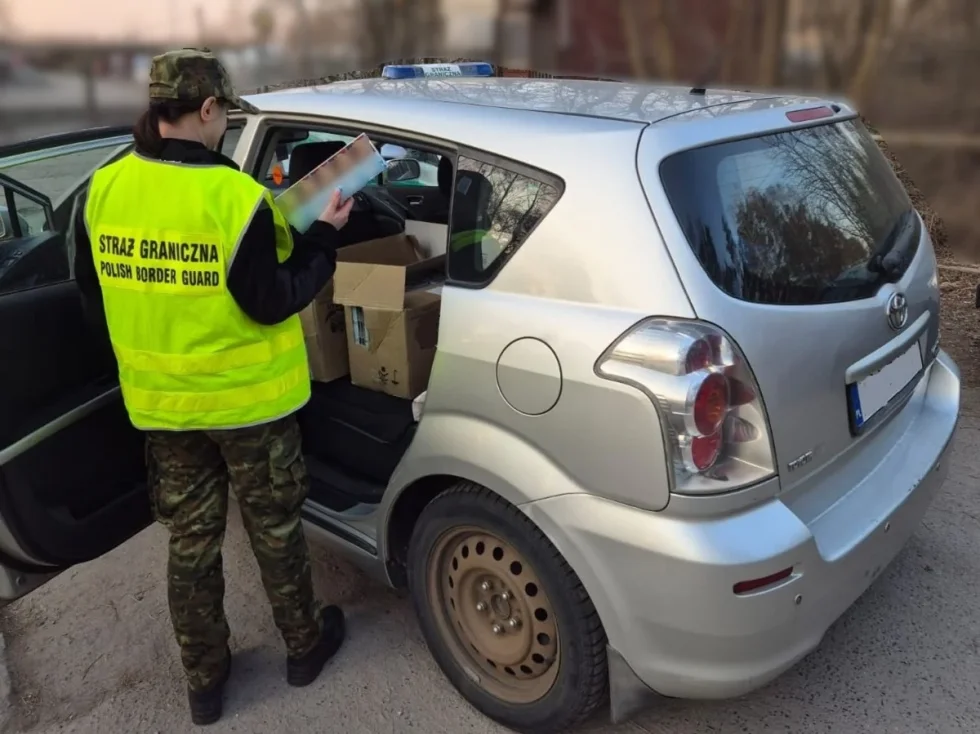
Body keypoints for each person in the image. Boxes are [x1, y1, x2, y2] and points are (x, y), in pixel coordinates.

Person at [68, 48, 354, 726]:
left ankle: (205, 681)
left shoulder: (102, 188)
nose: (224, 123)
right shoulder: (236, 198)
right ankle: (304, 647)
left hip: (163, 409)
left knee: (191, 542)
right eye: (223, 112)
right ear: (204, 109)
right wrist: (323, 244)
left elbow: (91, 293)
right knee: (275, 530)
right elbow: (271, 299)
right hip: (250, 407)